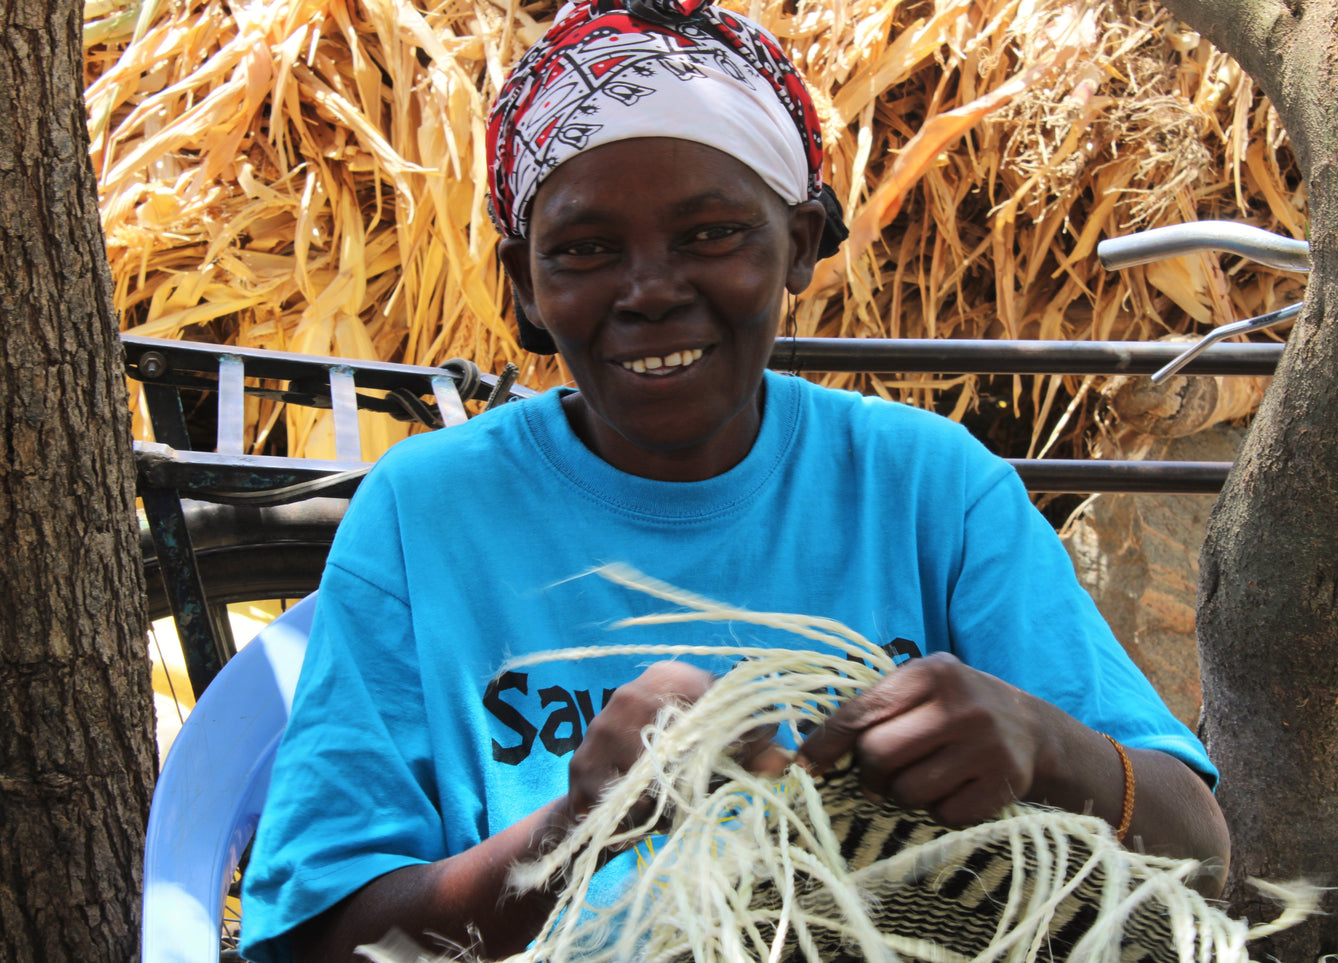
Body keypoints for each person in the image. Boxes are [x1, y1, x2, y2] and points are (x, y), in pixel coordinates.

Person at [239, 1, 1229, 960]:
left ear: (797, 244)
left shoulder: (929, 489)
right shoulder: (427, 514)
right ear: (525, 286)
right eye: (584, 250)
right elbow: (327, 938)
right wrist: (577, 826)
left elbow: (1200, 853)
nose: (650, 290)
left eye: (710, 234)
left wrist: (1051, 745)